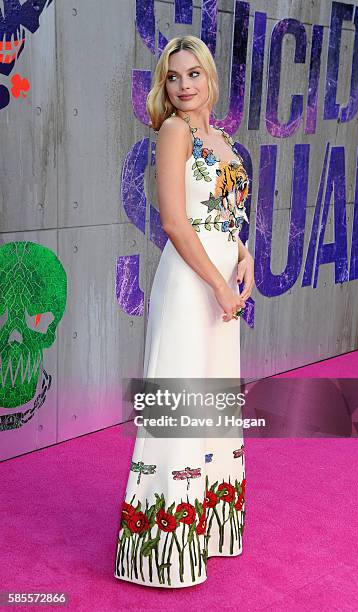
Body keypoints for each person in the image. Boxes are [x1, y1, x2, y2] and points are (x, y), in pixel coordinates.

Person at [114, 35, 254, 588]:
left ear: (210, 78)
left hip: (222, 280)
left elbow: (225, 215)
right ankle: (162, 554)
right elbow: (175, 222)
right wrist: (220, 284)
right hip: (190, 284)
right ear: (164, 85)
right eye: (174, 77)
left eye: (193, 74)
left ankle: (209, 532)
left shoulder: (221, 137)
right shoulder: (172, 132)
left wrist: (242, 257)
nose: (184, 85)